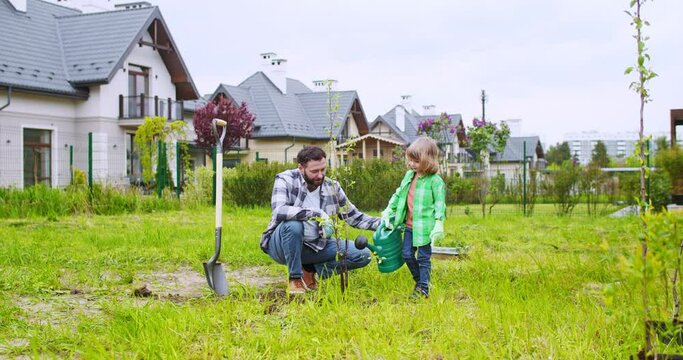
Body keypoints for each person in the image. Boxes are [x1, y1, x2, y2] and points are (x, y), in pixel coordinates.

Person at [260, 146, 380, 294]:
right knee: (293, 225)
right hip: (281, 245)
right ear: (301, 168)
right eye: (314, 171)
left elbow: (353, 216)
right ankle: (295, 279)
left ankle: (309, 270)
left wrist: (383, 224)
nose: (320, 175)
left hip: (317, 245)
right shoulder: (286, 179)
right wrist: (315, 213)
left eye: (323, 169)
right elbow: (279, 211)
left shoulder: (331, 187)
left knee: (363, 255)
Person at [380, 137, 446, 299]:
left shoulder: (435, 181)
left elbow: (439, 204)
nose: (411, 164)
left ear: (427, 160)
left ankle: (423, 289)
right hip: (409, 226)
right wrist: (389, 209)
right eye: (410, 160)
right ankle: (420, 281)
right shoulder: (409, 176)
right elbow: (399, 193)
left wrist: (439, 223)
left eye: (415, 161)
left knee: (423, 258)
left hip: (425, 228)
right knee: (407, 255)